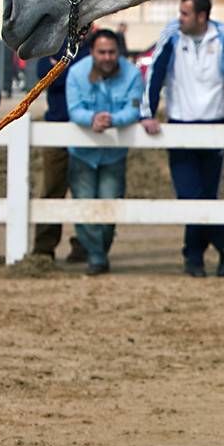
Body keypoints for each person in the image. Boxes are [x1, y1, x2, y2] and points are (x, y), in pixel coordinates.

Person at [142, 0, 224, 277]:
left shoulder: (222, 36)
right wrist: (147, 113)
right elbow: (154, 74)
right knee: (189, 196)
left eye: (185, 13)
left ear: (202, 16)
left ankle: (195, 257)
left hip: (214, 125)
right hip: (179, 125)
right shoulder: (172, 34)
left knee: (207, 196)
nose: (179, 18)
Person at [65, 30, 143, 276]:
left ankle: (100, 252)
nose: (107, 57)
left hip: (114, 154)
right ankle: (97, 257)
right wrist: (92, 119)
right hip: (82, 153)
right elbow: (74, 109)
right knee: (84, 207)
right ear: (92, 52)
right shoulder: (77, 73)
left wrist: (112, 120)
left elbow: (134, 109)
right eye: (102, 52)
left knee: (109, 206)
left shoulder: (132, 74)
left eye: (112, 52)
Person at [31, 44, 89, 264]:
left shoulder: (92, 47)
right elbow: (44, 76)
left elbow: (90, 79)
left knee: (85, 190)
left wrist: (63, 70)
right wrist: (78, 71)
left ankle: (86, 243)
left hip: (87, 130)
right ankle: (44, 247)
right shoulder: (54, 46)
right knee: (53, 188)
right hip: (56, 128)